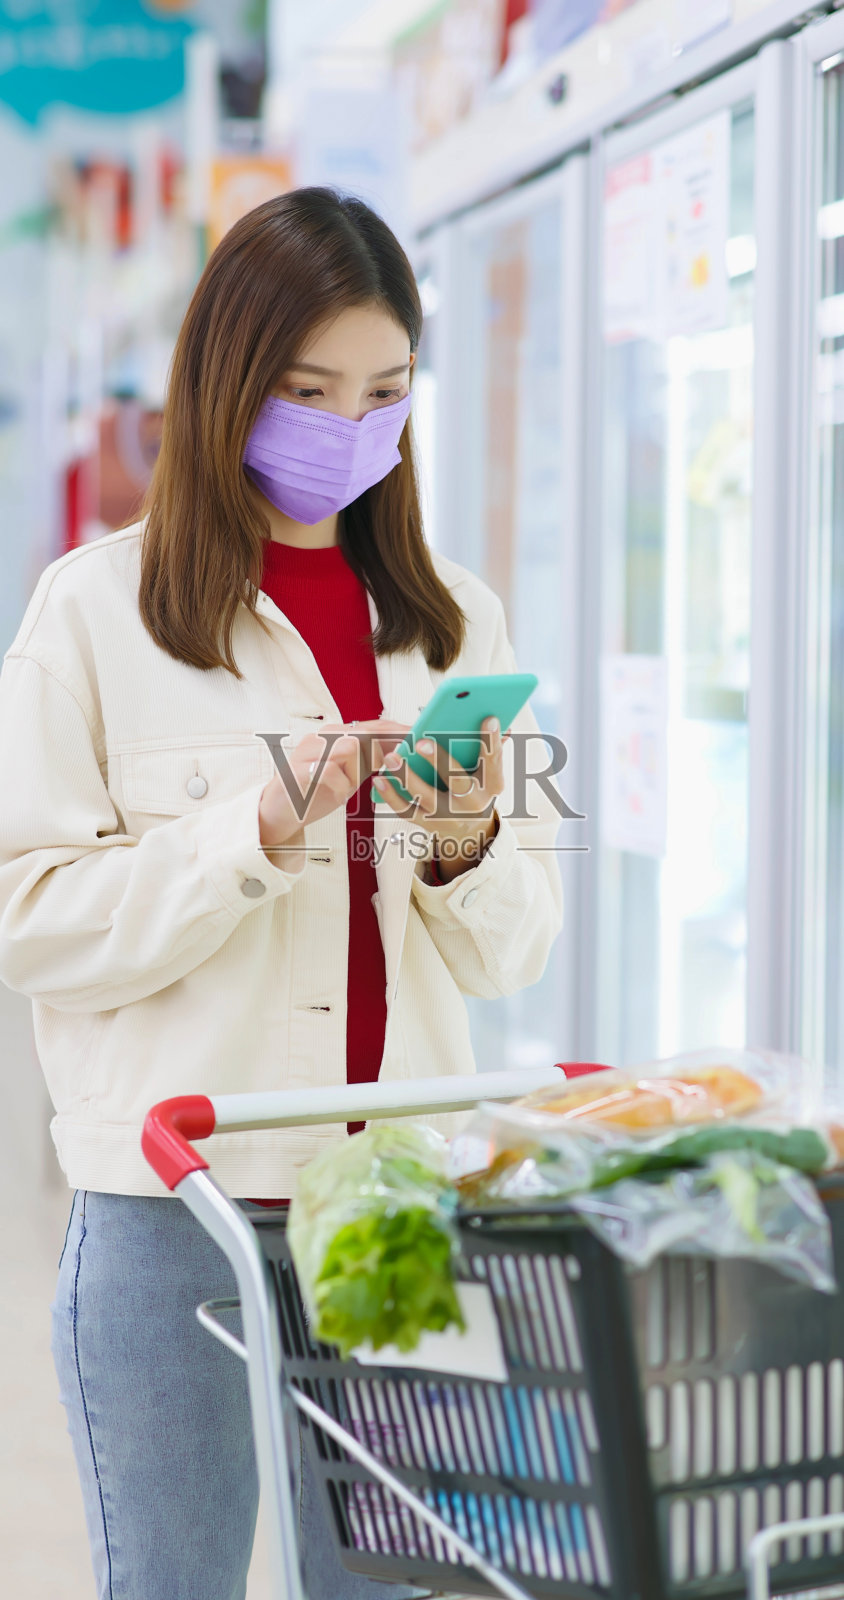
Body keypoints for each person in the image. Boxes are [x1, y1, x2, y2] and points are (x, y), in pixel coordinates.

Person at [0, 187, 563, 1600]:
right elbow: (32, 921)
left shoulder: (455, 621)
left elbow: (512, 961)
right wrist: (253, 827)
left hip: (400, 1203)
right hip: (173, 1204)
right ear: (227, 382)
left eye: (384, 391)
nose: (349, 426)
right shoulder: (93, 611)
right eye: (309, 390)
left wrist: (464, 840)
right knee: (174, 1581)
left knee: (396, 1589)